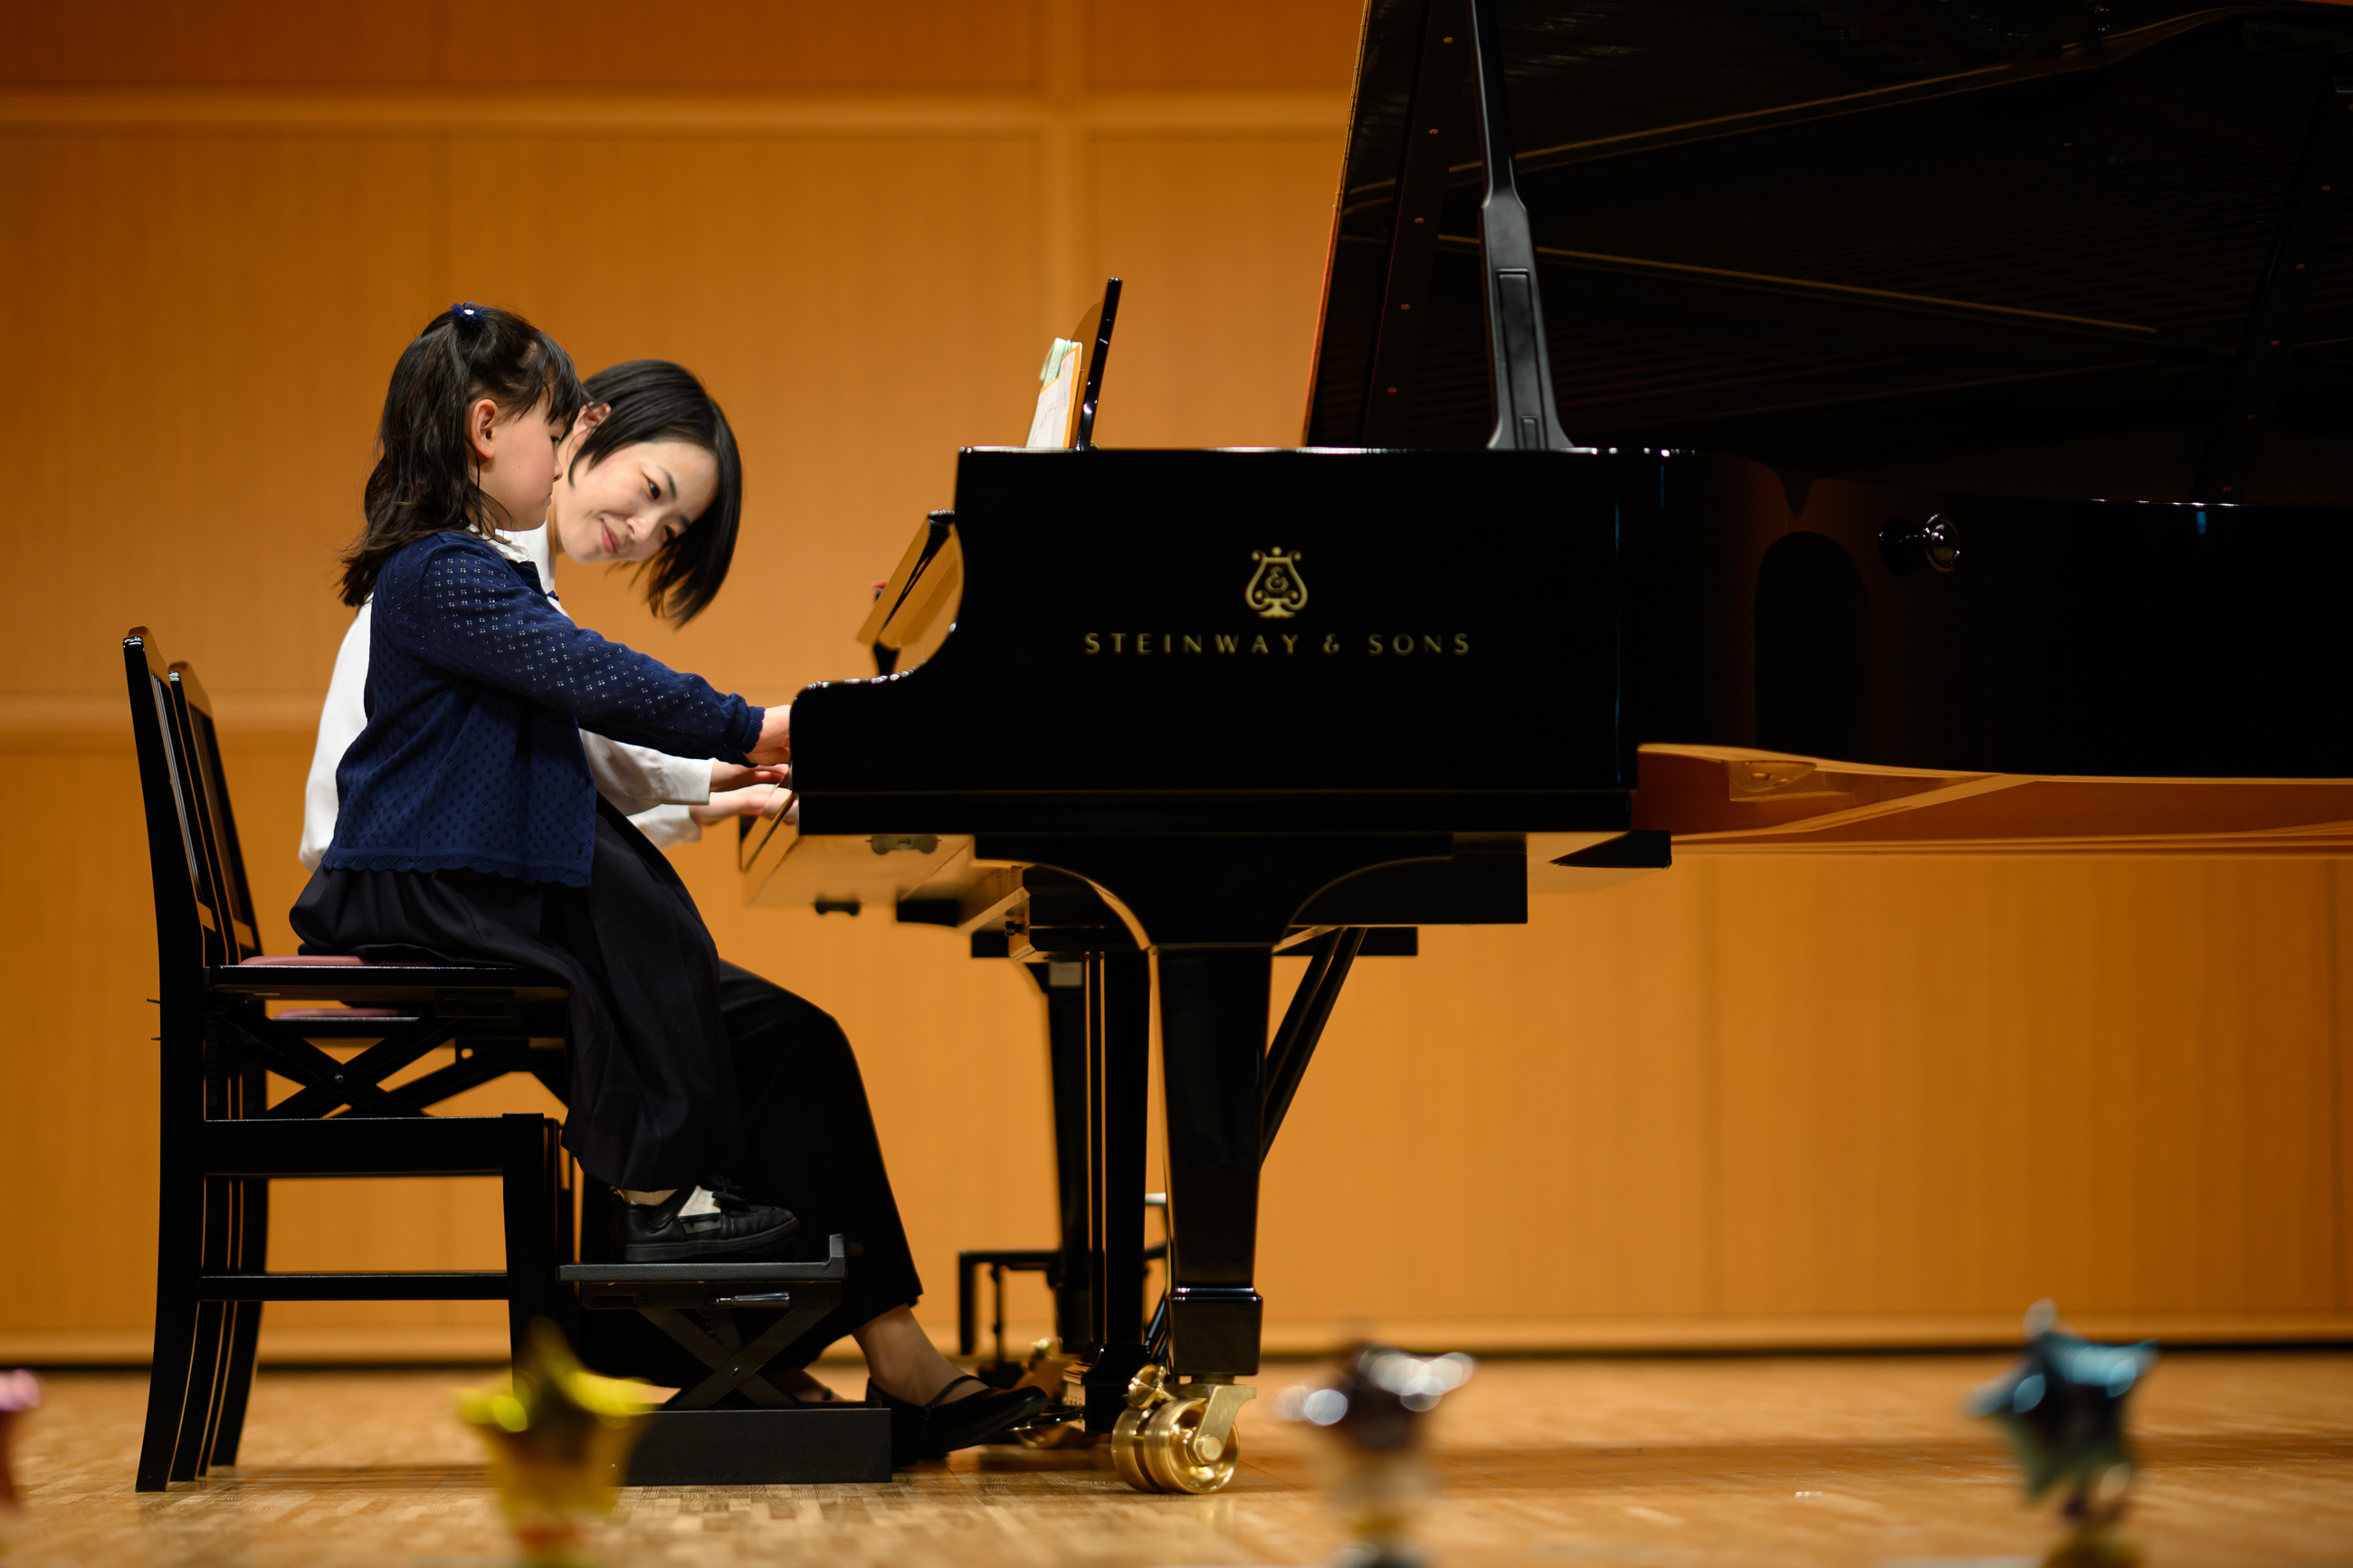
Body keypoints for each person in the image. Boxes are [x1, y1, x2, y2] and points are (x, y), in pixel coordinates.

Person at [295, 304, 1043, 1455]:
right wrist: (768, 729)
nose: (645, 529)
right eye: (639, 486)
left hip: (469, 873)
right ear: (534, 432)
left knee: (784, 1031)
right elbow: (586, 706)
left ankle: (817, 1344)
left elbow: (568, 753)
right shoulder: (451, 576)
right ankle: (668, 1229)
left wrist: (713, 785)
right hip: (420, 888)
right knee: (627, 900)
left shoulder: (488, 580)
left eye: (669, 521)